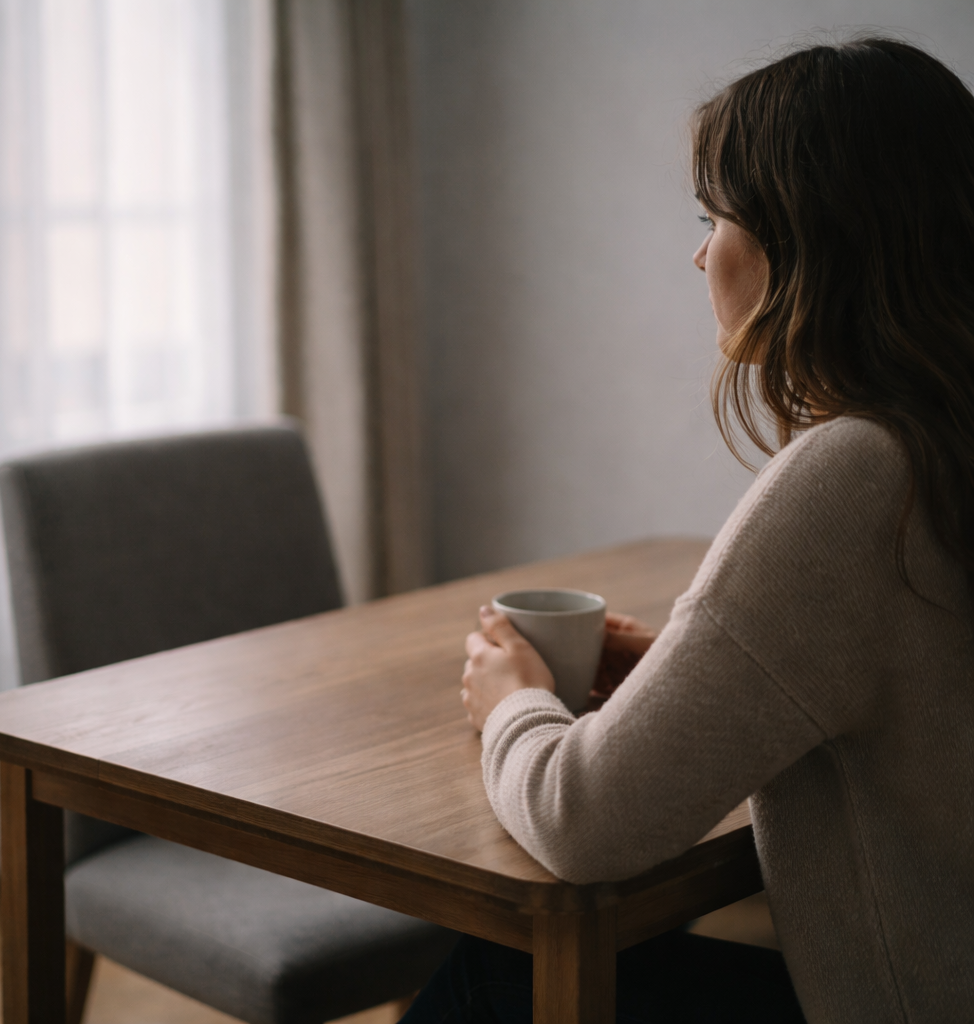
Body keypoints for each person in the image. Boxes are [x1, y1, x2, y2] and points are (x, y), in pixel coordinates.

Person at [401, 37, 974, 1024]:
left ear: (807, 238)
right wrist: (684, 669)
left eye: (716, 218)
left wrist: (510, 701)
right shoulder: (945, 437)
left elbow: (586, 821)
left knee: (497, 973)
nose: (701, 254)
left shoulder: (858, 474)